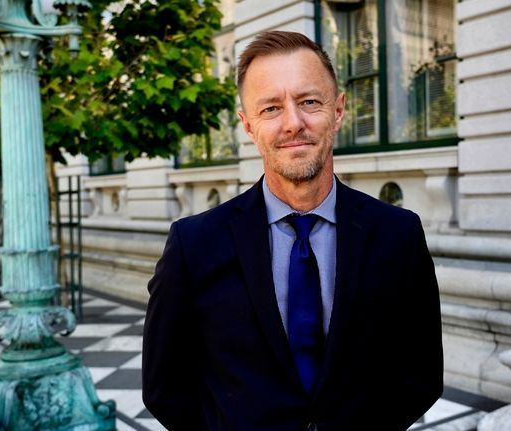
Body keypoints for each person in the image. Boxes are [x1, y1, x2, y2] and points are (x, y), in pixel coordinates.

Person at [142, 30, 443, 431]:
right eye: (270, 109)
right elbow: (164, 386)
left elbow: (420, 373)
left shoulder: (398, 234)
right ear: (247, 125)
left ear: (338, 111)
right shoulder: (193, 244)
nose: (293, 123)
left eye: (309, 102)